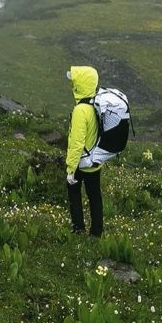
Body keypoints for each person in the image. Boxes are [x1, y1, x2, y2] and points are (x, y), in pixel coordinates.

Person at [65, 63, 110, 236]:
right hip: (96, 161)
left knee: (74, 192)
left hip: (81, 162)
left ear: (80, 84)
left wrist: (70, 168)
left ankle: (78, 229)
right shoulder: (97, 105)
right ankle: (97, 232)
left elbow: (76, 143)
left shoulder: (80, 111)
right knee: (94, 196)